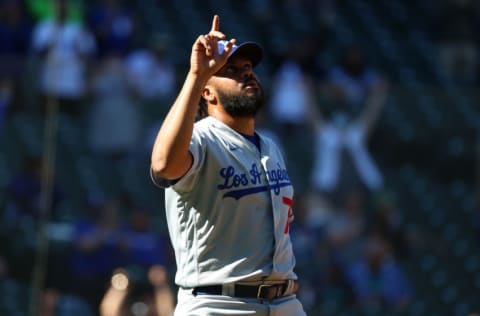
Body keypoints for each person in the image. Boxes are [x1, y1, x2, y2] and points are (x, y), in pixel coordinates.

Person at [150, 15, 305, 315]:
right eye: (231, 71)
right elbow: (163, 165)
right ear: (207, 93)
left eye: (248, 68)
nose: (247, 74)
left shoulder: (270, 146)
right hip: (218, 303)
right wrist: (196, 76)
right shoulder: (201, 140)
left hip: (285, 302)